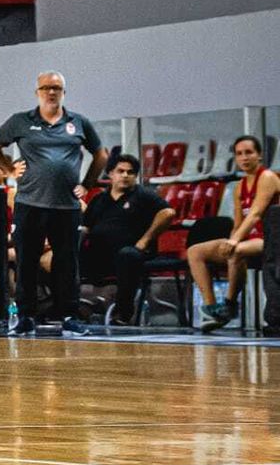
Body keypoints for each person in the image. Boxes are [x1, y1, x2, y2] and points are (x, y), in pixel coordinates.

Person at [0, 72, 107, 336]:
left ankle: (69, 317)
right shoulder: (21, 121)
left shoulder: (78, 122)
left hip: (66, 206)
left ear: (64, 92)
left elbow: (100, 154)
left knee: (67, 263)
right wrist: (7, 168)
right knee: (26, 261)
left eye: (57, 88)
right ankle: (26, 317)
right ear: (37, 92)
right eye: (46, 88)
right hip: (30, 202)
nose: (51, 92)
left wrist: (87, 184)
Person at [189, 136, 277, 329]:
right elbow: (238, 223)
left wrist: (234, 242)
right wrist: (231, 239)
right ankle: (212, 308)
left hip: (270, 240)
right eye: (239, 154)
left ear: (259, 155)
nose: (244, 158)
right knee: (195, 251)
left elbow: (255, 214)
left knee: (236, 251)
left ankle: (229, 305)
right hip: (247, 239)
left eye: (249, 152)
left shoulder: (268, 178)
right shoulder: (239, 187)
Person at [78, 154, 175, 326]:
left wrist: (144, 241)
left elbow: (168, 213)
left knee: (127, 255)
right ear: (110, 174)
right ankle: (65, 310)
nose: (125, 175)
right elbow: (86, 228)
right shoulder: (99, 199)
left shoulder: (144, 195)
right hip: (102, 254)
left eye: (130, 172)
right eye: (120, 171)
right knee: (64, 258)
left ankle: (123, 314)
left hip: (133, 253)